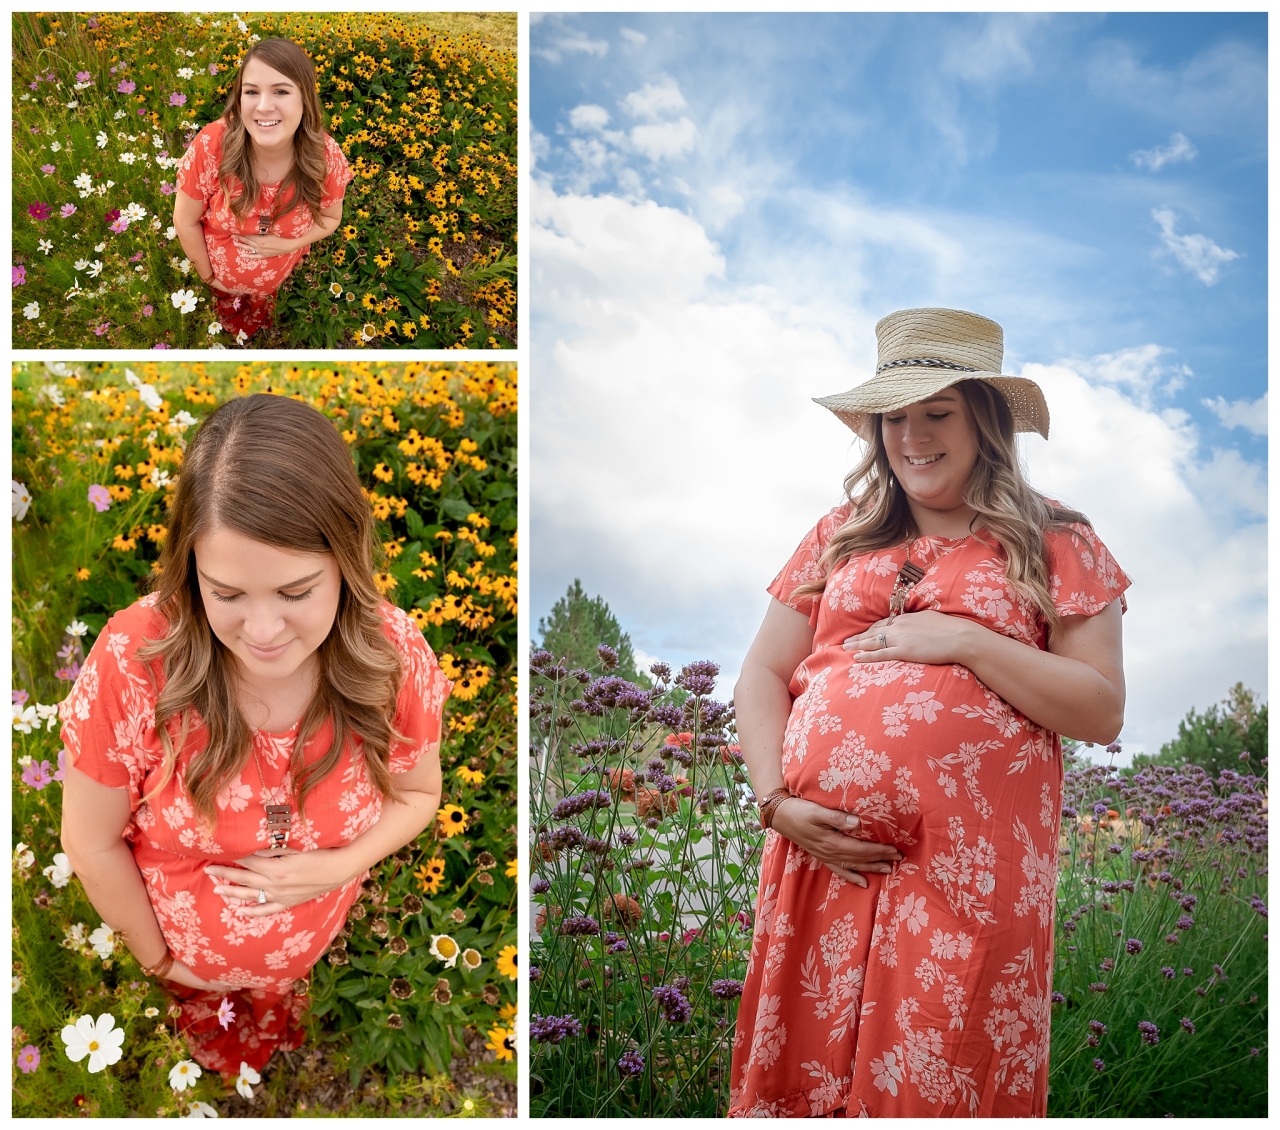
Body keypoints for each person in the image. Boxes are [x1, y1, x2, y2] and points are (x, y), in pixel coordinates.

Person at [729, 308, 1129, 1117]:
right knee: (806, 1077)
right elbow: (763, 676)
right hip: (821, 857)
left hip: (969, 881)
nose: (913, 436)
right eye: (894, 417)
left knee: (942, 1074)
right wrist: (777, 803)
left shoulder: (1056, 538)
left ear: (983, 417)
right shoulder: (837, 536)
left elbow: (1102, 707)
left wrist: (966, 642)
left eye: (936, 413)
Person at [58, 394, 450, 1075]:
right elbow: (89, 844)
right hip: (179, 955)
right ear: (190, 571)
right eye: (227, 594)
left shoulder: (394, 655)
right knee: (197, 1028)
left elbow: (418, 793)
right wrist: (167, 963)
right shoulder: (135, 660)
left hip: (307, 935)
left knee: (271, 1001)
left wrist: (334, 869)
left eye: (296, 593)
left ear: (346, 562)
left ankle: (272, 1002)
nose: (263, 633)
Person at [173, 38, 352, 343]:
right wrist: (211, 277)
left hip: (278, 273)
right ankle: (230, 305)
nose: (263, 106)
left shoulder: (326, 158)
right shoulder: (212, 145)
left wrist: (286, 246)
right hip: (218, 277)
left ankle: (260, 306)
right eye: (252, 92)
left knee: (262, 299)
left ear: (305, 99)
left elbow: (331, 219)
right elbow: (185, 220)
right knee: (228, 301)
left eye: (281, 91)